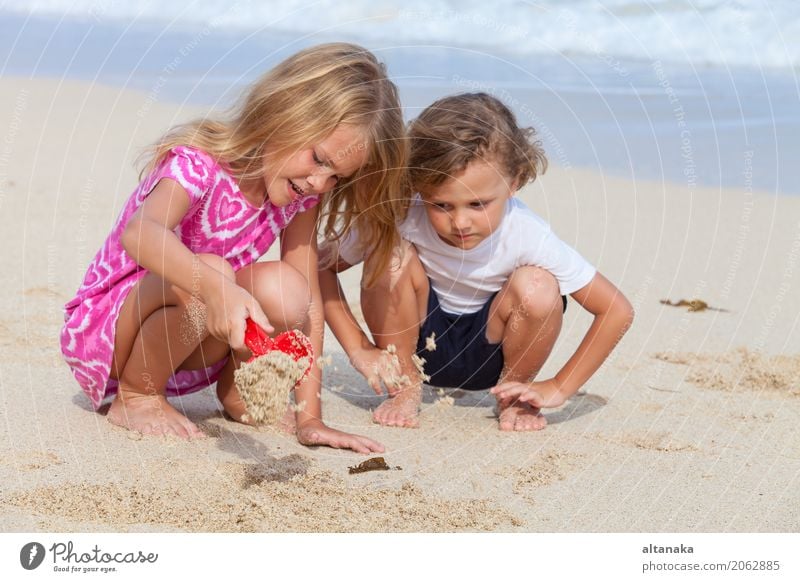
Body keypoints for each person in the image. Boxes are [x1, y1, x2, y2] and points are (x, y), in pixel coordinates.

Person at [60, 43, 407, 452]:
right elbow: (141, 233)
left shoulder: (300, 198)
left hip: (193, 332)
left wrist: (310, 417)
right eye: (318, 158)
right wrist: (215, 287)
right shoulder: (197, 165)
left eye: (335, 177)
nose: (318, 182)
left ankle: (239, 391)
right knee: (212, 271)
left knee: (287, 287)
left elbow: (308, 302)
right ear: (282, 114)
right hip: (110, 330)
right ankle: (138, 394)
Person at [319, 92, 634, 431]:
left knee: (538, 285)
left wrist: (560, 385)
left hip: (493, 355)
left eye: (478, 204)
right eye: (441, 205)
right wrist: (358, 347)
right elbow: (320, 267)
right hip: (415, 347)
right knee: (391, 257)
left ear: (514, 182)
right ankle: (405, 388)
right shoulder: (402, 213)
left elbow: (616, 310)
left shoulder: (527, 234)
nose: (460, 223)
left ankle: (514, 398)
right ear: (419, 187)